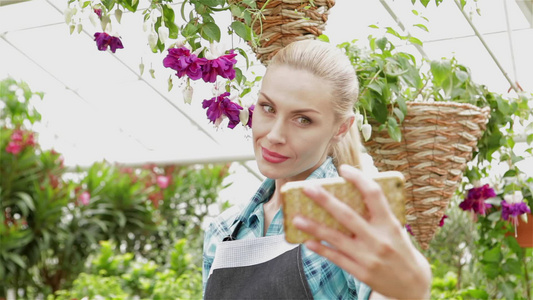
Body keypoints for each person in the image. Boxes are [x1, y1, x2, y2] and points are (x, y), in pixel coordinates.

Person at [202, 39, 432, 300]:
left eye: (303, 120)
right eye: (268, 108)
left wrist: (410, 292)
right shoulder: (223, 232)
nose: (275, 135)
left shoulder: (353, 223)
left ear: (341, 128)